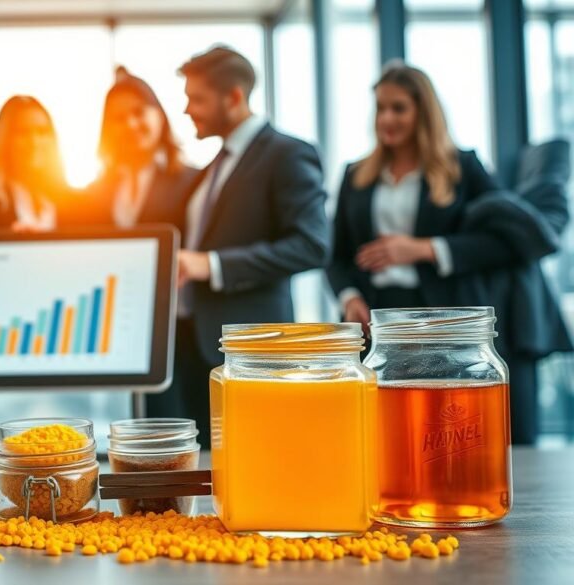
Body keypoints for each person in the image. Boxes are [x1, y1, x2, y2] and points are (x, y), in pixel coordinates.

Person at [325, 61, 571, 445]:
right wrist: (349, 297)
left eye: (399, 108)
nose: (386, 118)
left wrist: (425, 249)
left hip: (442, 316)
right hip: (381, 318)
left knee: (446, 430)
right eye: (381, 108)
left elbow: (504, 241)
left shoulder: (462, 167)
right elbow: (336, 256)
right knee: (388, 432)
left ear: (423, 111)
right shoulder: (355, 175)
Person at [159, 46, 331, 446]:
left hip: (249, 347)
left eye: (196, 99)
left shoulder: (287, 155)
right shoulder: (213, 166)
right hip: (195, 341)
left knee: (256, 453)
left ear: (233, 97)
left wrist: (213, 265)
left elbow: (312, 245)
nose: (187, 110)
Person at [72, 67, 197, 229]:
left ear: (159, 115)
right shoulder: (95, 193)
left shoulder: (193, 181)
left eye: (138, 112)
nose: (130, 125)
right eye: (119, 118)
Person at [0, 96, 68, 231]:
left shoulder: (77, 205)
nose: (34, 142)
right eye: (23, 132)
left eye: (42, 132)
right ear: (5, 141)